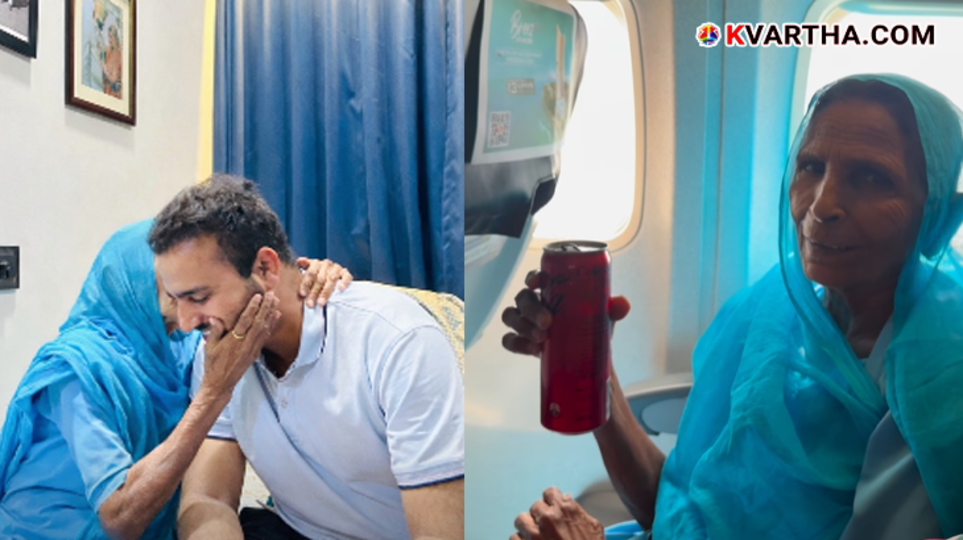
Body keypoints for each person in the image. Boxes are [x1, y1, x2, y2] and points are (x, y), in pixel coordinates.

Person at [502, 74, 963, 540]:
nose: (821, 205)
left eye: (872, 177)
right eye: (810, 166)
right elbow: (679, 505)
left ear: (938, 215)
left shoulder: (940, 383)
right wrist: (594, 370)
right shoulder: (773, 310)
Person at [149, 175, 465, 540]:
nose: (187, 323)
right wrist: (214, 391)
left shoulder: (397, 340)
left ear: (264, 268)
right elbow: (209, 498)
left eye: (199, 298)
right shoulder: (220, 349)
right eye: (177, 301)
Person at [0, 220, 351, 539]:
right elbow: (120, 518)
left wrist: (305, 278)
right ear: (131, 282)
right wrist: (213, 392)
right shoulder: (76, 370)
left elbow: (252, 306)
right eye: (171, 281)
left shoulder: (183, 344)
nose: (185, 291)